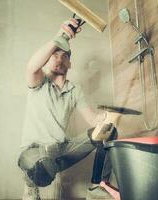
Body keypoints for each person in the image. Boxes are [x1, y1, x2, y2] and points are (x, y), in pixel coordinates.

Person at [18, 18, 116, 200]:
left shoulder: (75, 90)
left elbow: (92, 120)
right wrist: (60, 36)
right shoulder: (40, 82)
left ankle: (97, 186)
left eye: (64, 56)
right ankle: (31, 187)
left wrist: (104, 119)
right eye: (55, 54)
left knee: (108, 132)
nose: (60, 59)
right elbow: (31, 67)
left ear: (70, 63)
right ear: (48, 59)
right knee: (43, 168)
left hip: (60, 151)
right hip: (32, 152)